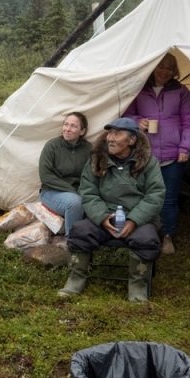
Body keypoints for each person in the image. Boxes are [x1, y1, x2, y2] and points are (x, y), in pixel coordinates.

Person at [58, 118, 165, 302]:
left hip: (136, 218)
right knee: (80, 231)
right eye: (109, 133)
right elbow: (88, 191)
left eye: (118, 134)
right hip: (105, 216)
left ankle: (138, 285)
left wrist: (134, 220)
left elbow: (155, 194)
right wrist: (101, 217)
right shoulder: (97, 160)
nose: (111, 138)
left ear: (132, 140)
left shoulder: (148, 162)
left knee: (146, 239)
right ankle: (76, 278)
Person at [123, 53, 190, 255]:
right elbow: (126, 115)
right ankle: (145, 233)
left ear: (174, 72)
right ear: (153, 67)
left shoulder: (181, 91)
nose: (164, 71)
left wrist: (185, 148)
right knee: (143, 195)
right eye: (160, 67)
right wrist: (138, 121)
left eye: (169, 68)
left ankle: (167, 236)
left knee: (169, 198)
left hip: (173, 155)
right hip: (145, 154)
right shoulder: (140, 90)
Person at [38, 112, 93, 237]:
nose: (67, 129)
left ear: (82, 131)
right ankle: (72, 241)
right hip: (51, 192)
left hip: (79, 191)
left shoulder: (88, 149)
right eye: (66, 124)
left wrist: (85, 192)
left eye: (73, 126)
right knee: (75, 203)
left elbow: (90, 175)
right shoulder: (52, 146)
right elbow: (46, 176)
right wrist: (73, 191)